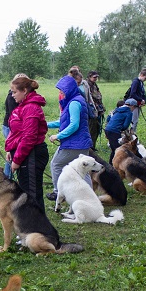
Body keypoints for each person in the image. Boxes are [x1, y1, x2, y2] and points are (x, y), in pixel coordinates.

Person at [5, 75, 49, 213]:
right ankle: (31, 226)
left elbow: (29, 137)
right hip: (24, 153)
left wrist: (17, 160)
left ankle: (37, 229)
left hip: (32, 154)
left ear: (24, 90)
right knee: (26, 191)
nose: (12, 95)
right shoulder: (22, 106)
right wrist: (10, 149)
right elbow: (16, 131)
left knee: (31, 193)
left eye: (14, 92)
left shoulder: (30, 107)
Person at [46, 75, 93, 203]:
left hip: (74, 144)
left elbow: (74, 125)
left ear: (68, 90)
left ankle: (58, 193)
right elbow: (63, 121)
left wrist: (58, 136)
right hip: (82, 143)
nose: (60, 94)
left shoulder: (74, 103)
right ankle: (91, 198)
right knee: (84, 170)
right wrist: (46, 124)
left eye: (62, 91)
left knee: (56, 164)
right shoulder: (77, 100)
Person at [3, 73, 27, 177]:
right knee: (12, 154)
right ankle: (7, 178)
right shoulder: (11, 98)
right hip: (10, 127)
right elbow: (15, 117)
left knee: (15, 152)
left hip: (13, 127)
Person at [104, 99, 138, 164]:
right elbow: (125, 126)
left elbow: (109, 118)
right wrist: (120, 128)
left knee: (114, 149)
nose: (134, 109)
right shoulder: (129, 113)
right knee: (119, 150)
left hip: (107, 129)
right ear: (132, 106)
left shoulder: (117, 110)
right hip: (115, 131)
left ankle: (111, 164)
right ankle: (117, 165)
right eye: (134, 107)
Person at [125, 68, 146, 133]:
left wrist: (144, 101)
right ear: (141, 75)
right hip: (133, 104)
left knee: (135, 120)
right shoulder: (136, 82)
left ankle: (132, 133)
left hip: (137, 103)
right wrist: (140, 100)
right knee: (134, 121)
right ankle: (132, 134)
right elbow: (133, 93)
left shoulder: (141, 83)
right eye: (145, 78)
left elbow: (142, 93)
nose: (145, 80)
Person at [86, 71, 105, 149]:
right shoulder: (86, 85)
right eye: (94, 77)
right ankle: (90, 147)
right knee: (91, 129)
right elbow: (89, 99)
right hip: (92, 111)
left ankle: (93, 146)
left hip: (98, 110)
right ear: (89, 77)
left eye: (96, 77)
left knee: (97, 129)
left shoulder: (94, 85)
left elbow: (98, 97)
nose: (96, 79)